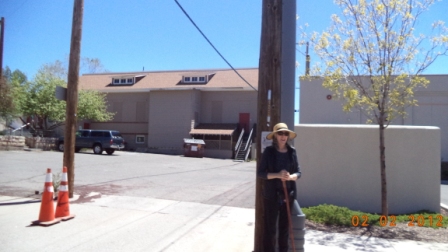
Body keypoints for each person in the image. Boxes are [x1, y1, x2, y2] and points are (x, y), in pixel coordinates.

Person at [257, 122, 301, 252]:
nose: (283, 136)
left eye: (285, 133)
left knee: (285, 228)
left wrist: (290, 177)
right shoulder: (269, 152)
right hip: (272, 195)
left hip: (288, 194)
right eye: (280, 133)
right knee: (270, 229)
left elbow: (299, 173)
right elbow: (261, 173)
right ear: (275, 136)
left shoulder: (292, 152)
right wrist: (277, 175)